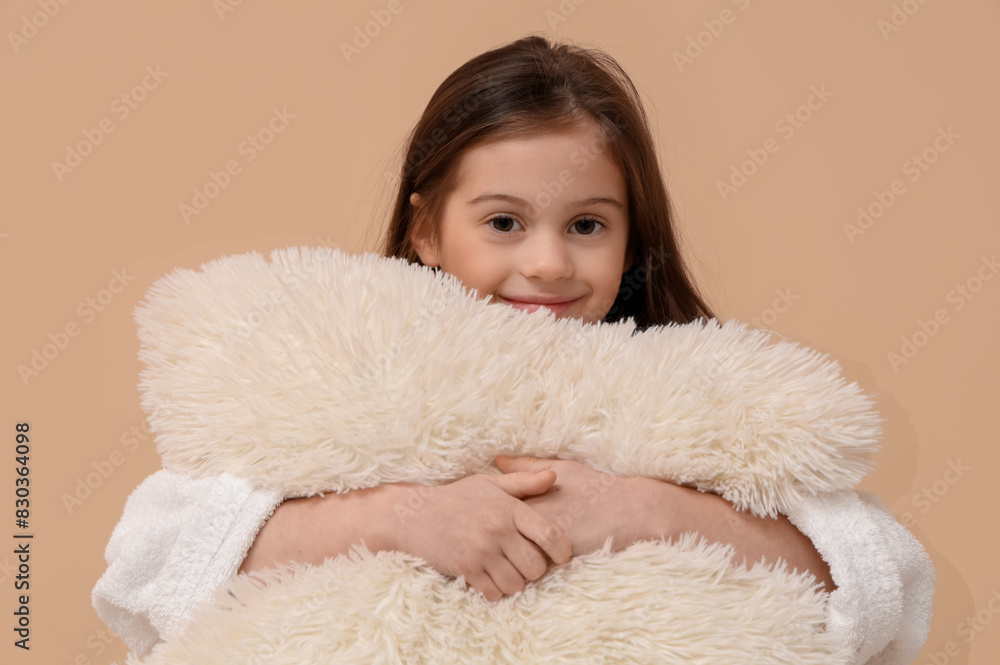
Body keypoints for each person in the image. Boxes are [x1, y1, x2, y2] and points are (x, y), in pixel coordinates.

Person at [93, 35, 933, 664]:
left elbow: (885, 578)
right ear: (426, 228)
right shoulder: (335, 374)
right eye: (503, 221)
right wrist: (403, 518)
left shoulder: (696, 397)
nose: (548, 262)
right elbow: (145, 568)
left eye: (587, 225)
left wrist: (645, 511)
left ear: (632, 239)